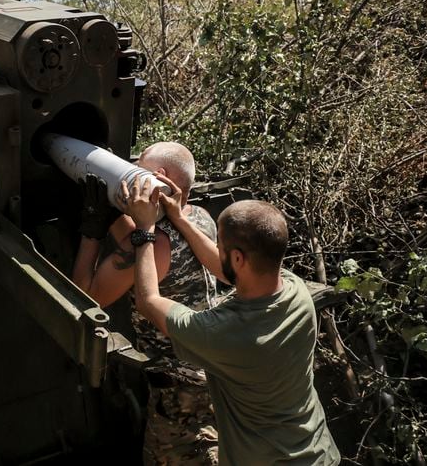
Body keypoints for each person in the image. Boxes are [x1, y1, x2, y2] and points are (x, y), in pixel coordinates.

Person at [121, 174, 341, 465]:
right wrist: (180, 218)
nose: (217, 249)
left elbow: (149, 302)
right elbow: (228, 272)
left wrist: (145, 229)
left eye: (220, 244)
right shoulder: (294, 289)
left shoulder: (223, 333)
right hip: (318, 452)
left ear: (237, 258)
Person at [71, 141, 220, 464]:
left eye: (140, 168)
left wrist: (92, 230)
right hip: (210, 373)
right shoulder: (199, 218)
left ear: (160, 177)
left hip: (179, 394)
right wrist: (115, 209)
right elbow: (139, 239)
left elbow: (87, 298)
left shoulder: (159, 243)